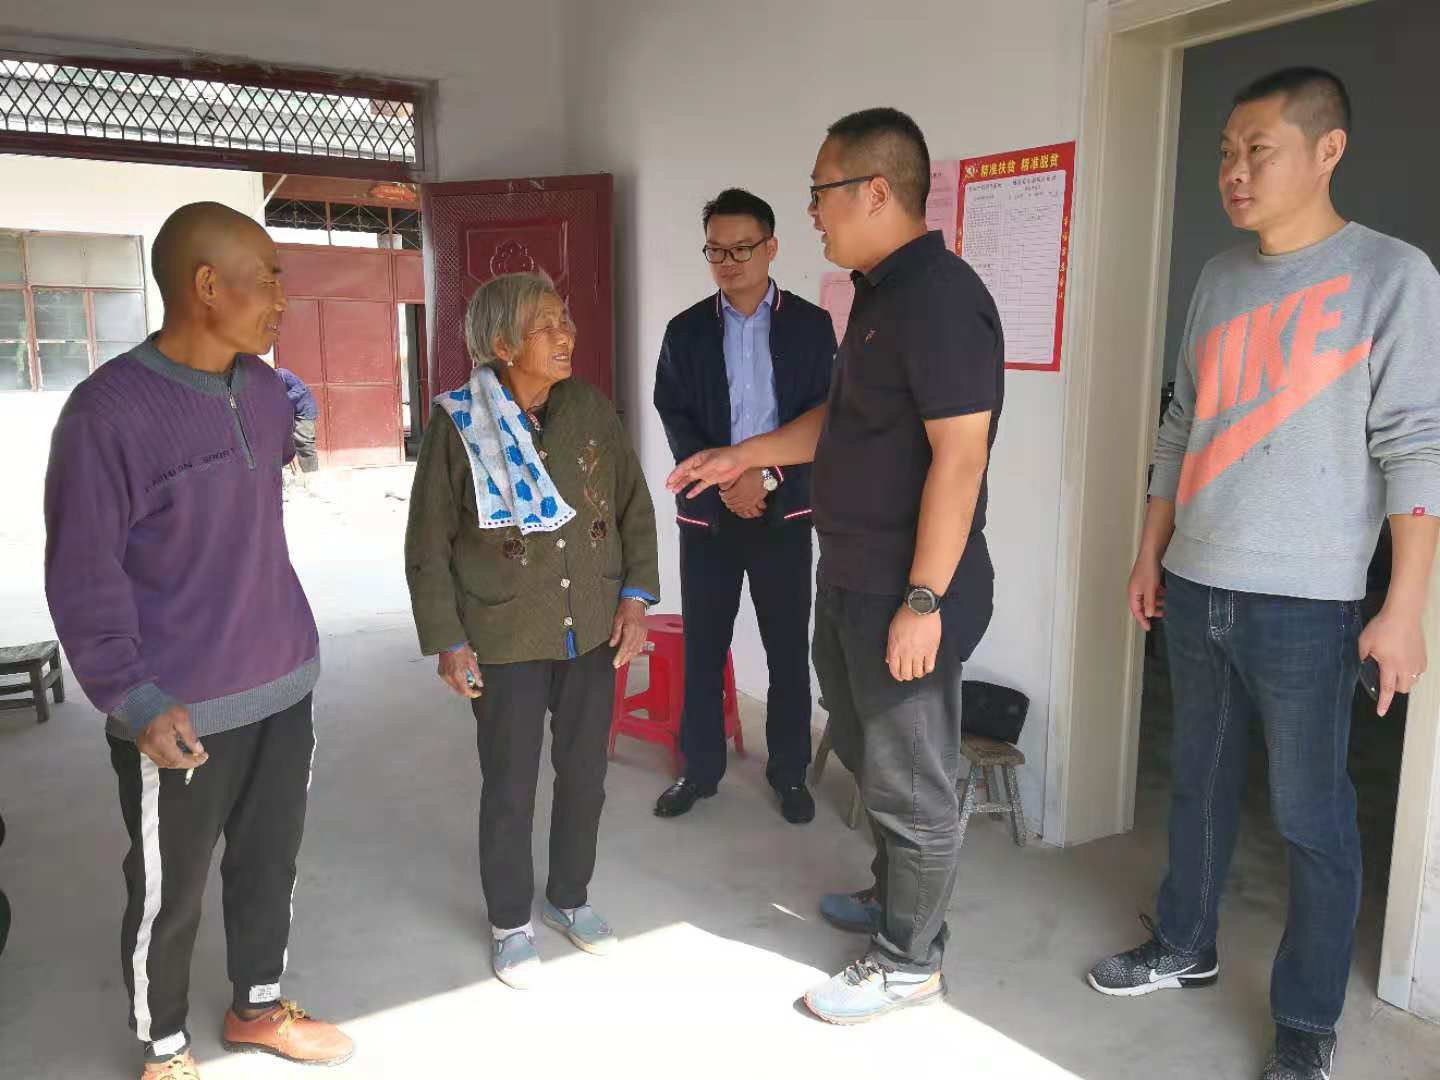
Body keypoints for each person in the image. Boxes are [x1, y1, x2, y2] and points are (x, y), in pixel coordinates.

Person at [1086, 69, 1440, 1080]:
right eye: (1226, 154)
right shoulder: (1219, 276)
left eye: (1258, 150)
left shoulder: (1392, 275)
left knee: (1310, 816)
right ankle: (1185, 944)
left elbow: (1418, 446)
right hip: (1196, 581)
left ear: (1327, 151)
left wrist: (1403, 607)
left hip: (1312, 602)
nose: (1234, 172)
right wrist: (1149, 551)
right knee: (1195, 782)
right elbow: (1179, 425)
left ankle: (1307, 1021)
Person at [666, 107, 1004, 1024]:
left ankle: (907, 962)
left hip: (905, 585)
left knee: (914, 780)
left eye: (821, 191)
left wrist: (924, 600)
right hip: (850, 571)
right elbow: (841, 421)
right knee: (862, 745)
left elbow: (960, 458)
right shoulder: (877, 296)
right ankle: (897, 901)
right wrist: (745, 455)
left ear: (876, 191)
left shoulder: (940, 299)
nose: (813, 209)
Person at [43, 202, 352, 1080]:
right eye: (268, 279)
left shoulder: (263, 393)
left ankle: (257, 1005)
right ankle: (166, 1047)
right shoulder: (106, 415)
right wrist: (133, 696)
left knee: (269, 863)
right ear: (206, 285)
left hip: (282, 682)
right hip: (177, 709)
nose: (283, 299)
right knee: (168, 892)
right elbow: (82, 571)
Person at [405, 271, 660, 990]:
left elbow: (632, 504)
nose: (565, 334)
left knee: (585, 777)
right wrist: (449, 640)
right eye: (545, 325)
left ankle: (570, 897)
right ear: (501, 343)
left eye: (565, 319)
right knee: (510, 785)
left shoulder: (589, 408)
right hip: (505, 634)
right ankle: (510, 921)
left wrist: (635, 598)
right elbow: (428, 543)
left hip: (592, 631)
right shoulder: (458, 422)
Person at [652, 188, 836, 825]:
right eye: (715, 251)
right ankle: (699, 770)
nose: (727, 262)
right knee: (705, 648)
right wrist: (725, 481)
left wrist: (768, 475)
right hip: (709, 515)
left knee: (787, 650)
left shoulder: (811, 326)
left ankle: (789, 773)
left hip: (784, 512)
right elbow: (673, 411)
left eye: (741, 249)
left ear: (771, 247)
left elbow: (826, 414)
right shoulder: (686, 331)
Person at [276, 366, 320, 473]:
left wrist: (283, 398)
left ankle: (311, 474)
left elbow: (301, 388)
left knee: (304, 443)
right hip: (287, 412)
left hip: (303, 411)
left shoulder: (282, 374)